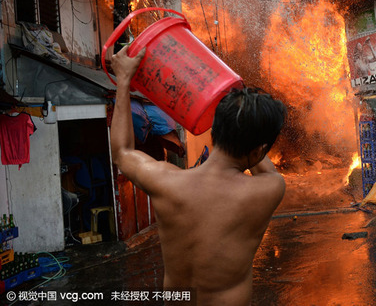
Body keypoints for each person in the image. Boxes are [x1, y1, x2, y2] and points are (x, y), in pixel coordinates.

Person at [110, 48, 286, 306]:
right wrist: (245, 120)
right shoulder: (268, 189)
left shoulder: (165, 181)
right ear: (259, 150)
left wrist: (123, 80)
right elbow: (264, 166)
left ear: (215, 131)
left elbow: (122, 152)